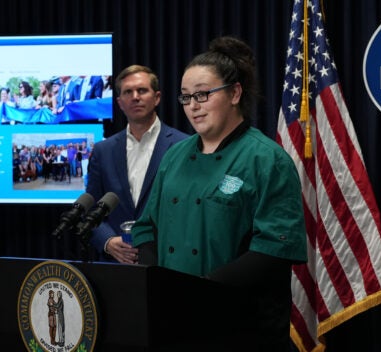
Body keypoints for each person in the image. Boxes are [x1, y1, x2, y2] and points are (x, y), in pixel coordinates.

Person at [131, 36, 308, 350]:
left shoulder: (267, 160)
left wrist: (201, 291)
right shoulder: (175, 155)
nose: (193, 107)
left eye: (202, 95)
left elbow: (273, 251)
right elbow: (147, 227)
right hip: (174, 321)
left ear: (235, 93)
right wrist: (158, 283)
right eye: (186, 98)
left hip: (241, 327)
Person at [85, 65, 189, 264]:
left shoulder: (184, 145)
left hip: (166, 262)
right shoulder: (102, 151)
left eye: (142, 90)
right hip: (116, 265)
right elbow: (92, 208)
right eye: (128, 92)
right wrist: (107, 241)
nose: (135, 97)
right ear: (119, 102)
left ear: (156, 97)